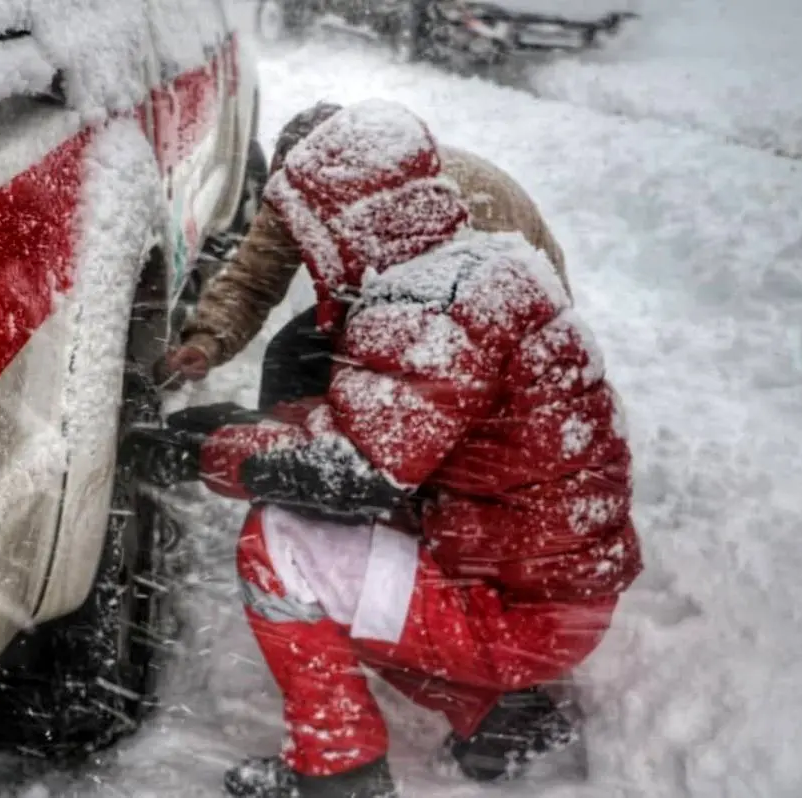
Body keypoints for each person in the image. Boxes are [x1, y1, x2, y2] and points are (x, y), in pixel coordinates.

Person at [125, 99, 641, 798]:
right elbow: (379, 432)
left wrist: (212, 449)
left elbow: (354, 474)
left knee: (285, 547)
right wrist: (252, 429)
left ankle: (338, 772)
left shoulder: (428, 306)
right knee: (349, 547)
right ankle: (498, 716)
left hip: (517, 608)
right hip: (545, 585)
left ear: (342, 215)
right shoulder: (475, 269)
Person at [162, 100, 570, 397]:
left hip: (499, 316)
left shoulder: (456, 203)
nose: (294, 207)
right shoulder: (300, 189)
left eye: (307, 197)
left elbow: (477, 330)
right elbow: (254, 280)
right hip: (407, 302)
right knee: (297, 353)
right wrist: (206, 341)